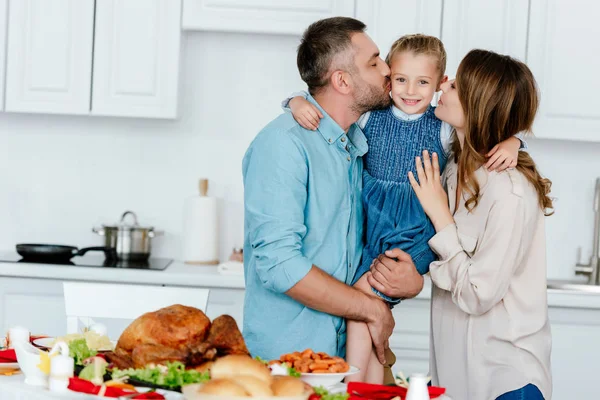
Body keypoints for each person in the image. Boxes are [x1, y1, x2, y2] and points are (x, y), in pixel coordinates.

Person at [284, 34, 525, 383]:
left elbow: (488, 123)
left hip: (415, 232)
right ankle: (368, 387)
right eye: (400, 80)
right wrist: (294, 100)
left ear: (440, 83)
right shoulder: (372, 115)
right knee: (369, 313)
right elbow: (325, 105)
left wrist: (514, 140)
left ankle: (350, 387)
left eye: (423, 82)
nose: (410, 90)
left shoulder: (442, 126)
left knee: (361, 304)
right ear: (388, 79)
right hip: (373, 229)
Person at [241, 17, 424, 384]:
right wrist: (371, 309)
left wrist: (409, 279)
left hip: (342, 362)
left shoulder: (354, 145)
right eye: (374, 62)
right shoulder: (284, 145)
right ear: (342, 81)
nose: (388, 69)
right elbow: (280, 266)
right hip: (288, 367)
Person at [405, 49, 553, 399]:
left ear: (477, 104)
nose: (443, 85)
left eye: (455, 84)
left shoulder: (509, 192)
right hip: (457, 378)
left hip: (505, 383)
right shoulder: (453, 167)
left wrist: (440, 215)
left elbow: (477, 295)